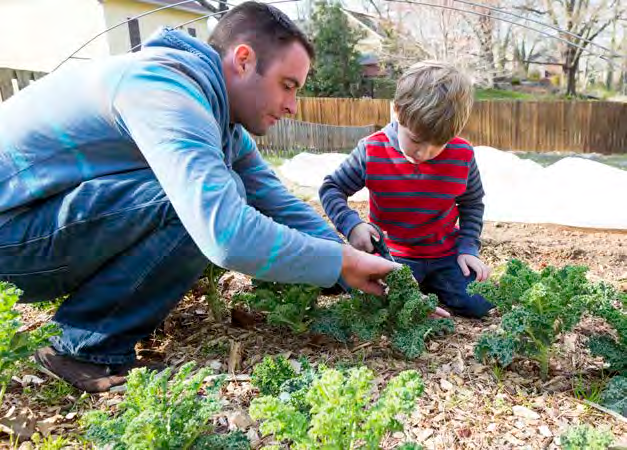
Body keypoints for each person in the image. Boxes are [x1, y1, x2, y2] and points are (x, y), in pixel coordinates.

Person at [0, 1, 399, 393]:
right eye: (287, 85)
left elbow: (279, 202)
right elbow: (224, 234)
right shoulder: (163, 89)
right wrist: (341, 262)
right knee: (199, 205)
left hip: (32, 229)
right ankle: (82, 347)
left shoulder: (217, 118)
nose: (293, 106)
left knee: (221, 190)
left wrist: (355, 268)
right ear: (243, 60)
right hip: (10, 236)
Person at [319, 60, 494, 319]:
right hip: (394, 255)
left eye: (439, 145)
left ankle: (428, 286)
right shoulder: (372, 149)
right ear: (397, 111)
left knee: (481, 304)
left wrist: (468, 248)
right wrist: (352, 225)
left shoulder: (463, 155)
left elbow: (472, 203)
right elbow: (331, 188)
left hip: (445, 254)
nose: (424, 153)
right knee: (375, 301)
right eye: (416, 140)